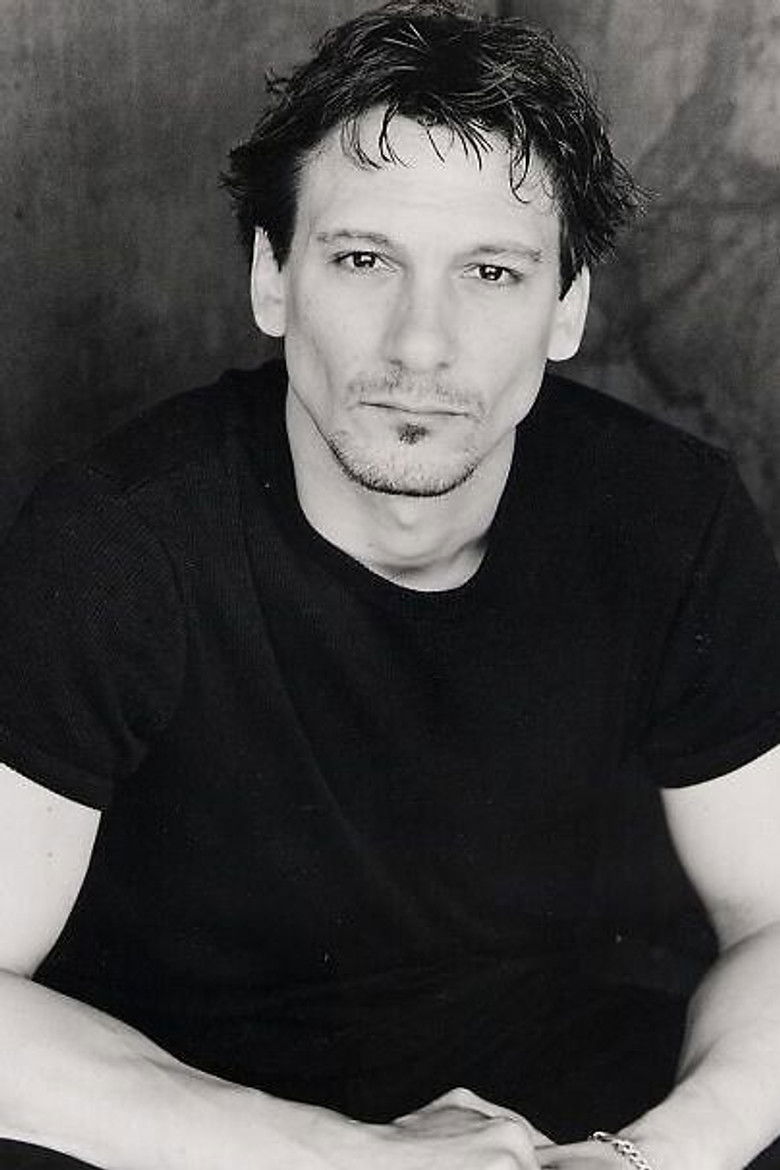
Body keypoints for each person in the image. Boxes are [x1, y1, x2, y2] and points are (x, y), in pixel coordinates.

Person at [1, 2, 779, 1168]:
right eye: (364, 260)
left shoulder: (670, 516)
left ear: (566, 309)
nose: (422, 344)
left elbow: (773, 917)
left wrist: (652, 1159)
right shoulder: (118, 541)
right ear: (272, 280)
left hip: (575, 1125)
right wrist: (353, 1160)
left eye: (492, 272)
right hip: (205, 1133)